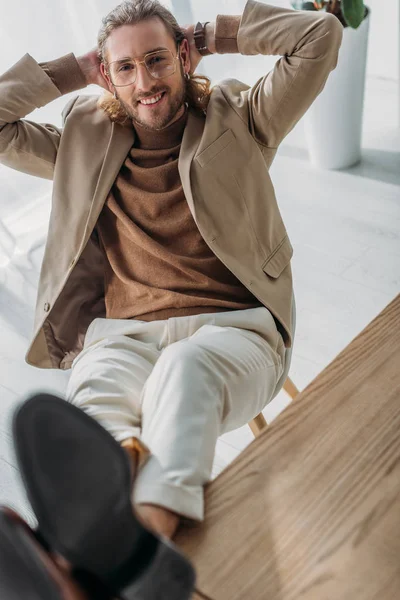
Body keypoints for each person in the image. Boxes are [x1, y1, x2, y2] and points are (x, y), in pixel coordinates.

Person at [0, 0, 343, 596]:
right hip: (124, 338)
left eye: (157, 60)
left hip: (236, 331)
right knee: (98, 400)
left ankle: (138, 549)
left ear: (183, 56)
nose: (145, 82)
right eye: (125, 68)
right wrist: (74, 70)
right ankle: (99, 564)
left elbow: (320, 37)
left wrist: (213, 34)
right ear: (107, 75)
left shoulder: (242, 116)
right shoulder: (81, 139)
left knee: (185, 370)